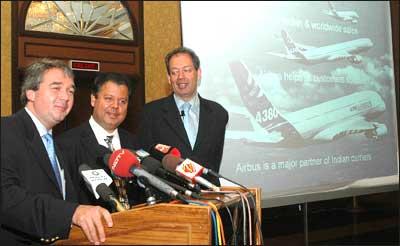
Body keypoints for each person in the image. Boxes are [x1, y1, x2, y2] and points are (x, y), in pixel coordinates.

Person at [1, 58, 112, 245]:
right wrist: (72, 213)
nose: (66, 96)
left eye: (71, 90)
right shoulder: (6, 131)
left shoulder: (58, 146)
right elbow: (6, 198)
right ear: (31, 93)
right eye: (56, 88)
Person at [137, 47, 229, 185]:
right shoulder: (151, 113)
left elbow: (214, 160)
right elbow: (145, 161)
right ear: (169, 78)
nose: (181, 77)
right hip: (170, 198)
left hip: (210, 196)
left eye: (187, 70)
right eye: (174, 72)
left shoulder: (218, 113)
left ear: (198, 73)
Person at [56, 72, 143, 211]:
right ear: (93, 99)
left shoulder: (135, 143)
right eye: (109, 99)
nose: (115, 106)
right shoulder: (67, 144)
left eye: (122, 101)